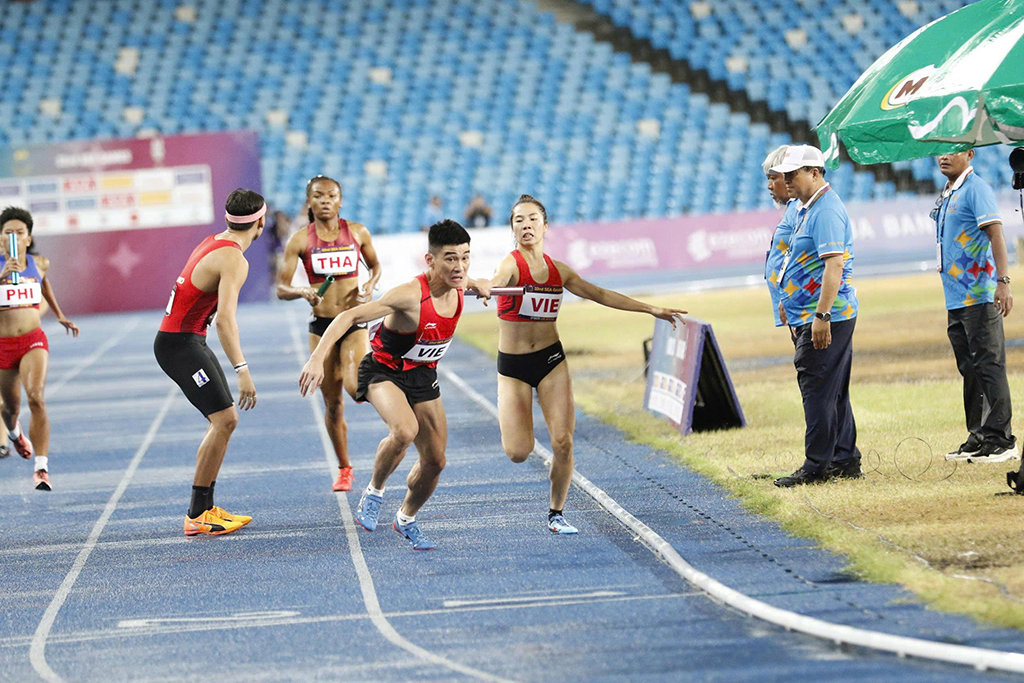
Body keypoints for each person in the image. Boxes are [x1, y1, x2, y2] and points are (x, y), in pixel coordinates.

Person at [480, 195, 687, 533]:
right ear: (513, 228)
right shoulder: (510, 264)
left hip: (550, 361)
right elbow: (495, 281)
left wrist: (651, 309)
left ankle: (556, 513)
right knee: (519, 451)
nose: (526, 225)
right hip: (514, 368)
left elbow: (600, 294)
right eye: (519, 220)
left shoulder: (559, 271)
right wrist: (485, 287)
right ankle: (546, 492)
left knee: (563, 441)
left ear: (545, 226)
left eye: (532, 219)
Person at [300, 220, 484, 550]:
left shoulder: (460, 283)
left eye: (466, 258)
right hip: (382, 371)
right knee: (404, 430)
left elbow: (471, 281)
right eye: (451, 259)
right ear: (430, 260)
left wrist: (479, 283)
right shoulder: (408, 295)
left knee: (436, 461)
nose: (460, 267)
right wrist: (317, 358)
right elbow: (347, 317)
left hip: (422, 375)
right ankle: (373, 492)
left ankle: (406, 518)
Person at [154, 188, 262, 536]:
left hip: (185, 341)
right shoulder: (234, 260)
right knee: (225, 419)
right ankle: (198, 514)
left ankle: (204, 508)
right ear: (259, 223)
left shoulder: (214, 240)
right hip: (180, 345)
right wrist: (242, 370)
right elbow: (226, 321)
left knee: (223, 420)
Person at [278, 176, 381, 491]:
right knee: (333, 403)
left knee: (355, 386)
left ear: (340, 200)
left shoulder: (358, 233)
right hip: (321, 327)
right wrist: (302, 291)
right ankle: (345, 469)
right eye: (318, 196)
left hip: (352, 322)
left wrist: (369, 286)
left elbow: (375, 267)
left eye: (331, 195)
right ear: (309, 202)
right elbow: (281, 288)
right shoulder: (299, 241)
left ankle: (400, 424)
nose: (325, 200)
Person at [770, 146, 862, 487]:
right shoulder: (809, 208)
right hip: (814, 312)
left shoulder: (824, 211)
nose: (787, 181)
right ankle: (844, 457)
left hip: (825, 315)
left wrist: (821, 315)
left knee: (817, 389)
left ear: (815, 172)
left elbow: (833, 265)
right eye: (786, 175)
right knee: (833, 390)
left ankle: (816, 466)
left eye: (793, 175)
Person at [930, 150, 1018, 466]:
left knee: (989, 364)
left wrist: (1003, 281)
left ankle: (1002, 440)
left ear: (970, 154)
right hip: (956, 297)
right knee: (970, 367)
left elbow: (996, 233)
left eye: (953, 150)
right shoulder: (951, 190)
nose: (943, 156)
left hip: (979, 294)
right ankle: (979, 435)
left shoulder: (976, 188)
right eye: (939, 150)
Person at [0, 207, 79, 490]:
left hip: (32, 340)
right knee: (11, 407)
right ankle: (13, 433)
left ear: (28, 238)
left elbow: (45, 286)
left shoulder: (40, 263)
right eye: (8, 232)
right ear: (0, 239)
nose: (14, 237)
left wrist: (59, 315)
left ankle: (41, 468)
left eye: (19, 233)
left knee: (36, 398)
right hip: (2, 345)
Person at [763, 145, 799, 334]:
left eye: (772, 178)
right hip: (794, 309)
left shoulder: (801, 210)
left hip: (803, 309)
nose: (769, 186)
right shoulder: (793, 210)